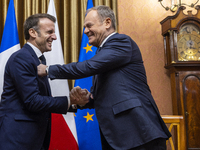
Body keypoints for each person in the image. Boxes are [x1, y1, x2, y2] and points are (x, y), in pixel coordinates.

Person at [38, 6, 171, 150]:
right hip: (120, 137)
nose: (85, 31)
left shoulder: (121, 42)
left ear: (107, 23)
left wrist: (49, 69)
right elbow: (110, 93)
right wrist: (87, 99)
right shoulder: (104, 52)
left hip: (138, 133)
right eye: (84, 27)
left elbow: (87, 67)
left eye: (89, 26)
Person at [0, 13, 88, 150]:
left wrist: (74, 103)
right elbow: (32, 101)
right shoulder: (22, 58)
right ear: (33, 32)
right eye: (50, 32)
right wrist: (69, 101)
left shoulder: (37, 59)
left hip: (32, 138)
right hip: (18, 138)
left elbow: (42, 99)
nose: (55, 37)